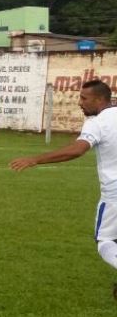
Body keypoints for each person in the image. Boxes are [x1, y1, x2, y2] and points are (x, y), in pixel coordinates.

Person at [10, 80, 117, 296]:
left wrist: (36, 159)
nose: (80, 103)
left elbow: (77, 150)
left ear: (99, 99)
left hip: (114, 195)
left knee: (105, 241)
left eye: (84, 98)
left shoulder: (97, 122)